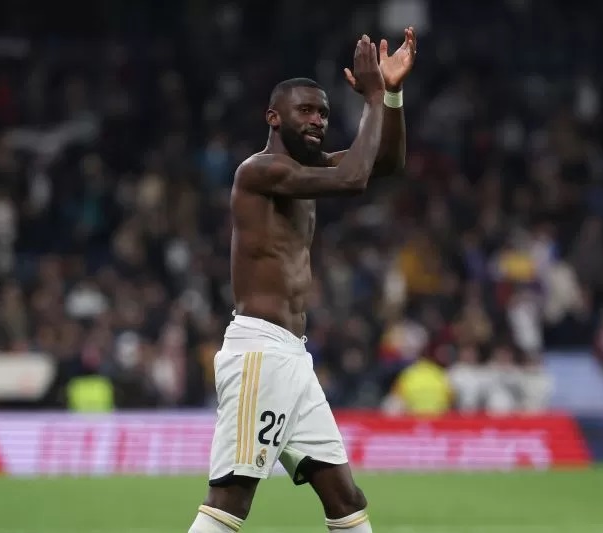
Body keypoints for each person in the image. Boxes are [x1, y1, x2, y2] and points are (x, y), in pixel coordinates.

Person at [188, 29, 417, 533]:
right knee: (231, 499)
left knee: (345, 497)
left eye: (323, 113)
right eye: (305, 111)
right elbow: (355, 179)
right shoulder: (261, 171)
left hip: (293, 355)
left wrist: (392, 95)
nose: (317, 121)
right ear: (273, 117)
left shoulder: (307, 169)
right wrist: (374, 96)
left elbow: (386, 163)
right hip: (259, 353)